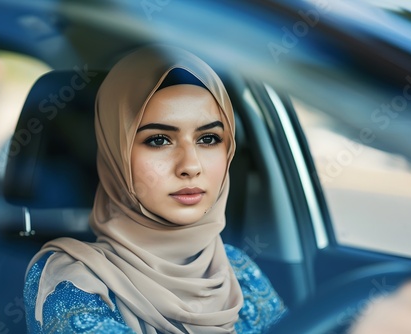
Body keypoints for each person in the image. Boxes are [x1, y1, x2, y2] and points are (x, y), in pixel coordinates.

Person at [23, 45, 287, 333]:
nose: (190, 165)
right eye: (159, 140)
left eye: (209, 138)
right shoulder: (72, 280)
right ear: (116, 155)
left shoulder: (237, 269)